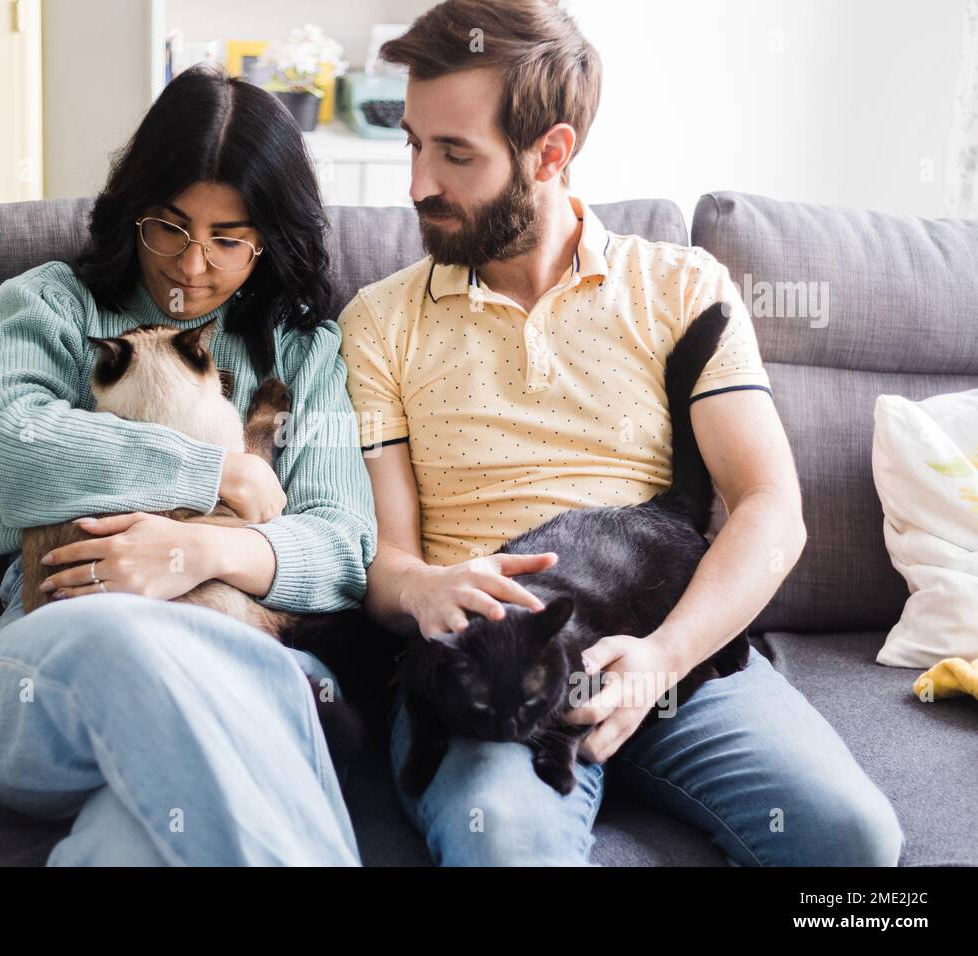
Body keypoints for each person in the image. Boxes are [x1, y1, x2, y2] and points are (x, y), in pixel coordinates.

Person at [337, 0, 904, 866]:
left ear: (551, 152)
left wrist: (660, 661)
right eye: (412, 142)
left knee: (854, 840)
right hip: (495, 671)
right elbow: (386, 564)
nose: (417, 183)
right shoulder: (379, 321)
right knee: (506, 849)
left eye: (454, 153)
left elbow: (770, 508)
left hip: (664, 643)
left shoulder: (680, 285)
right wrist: (420, 592)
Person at [0, 64, 377, 866]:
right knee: (133, 646)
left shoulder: (304, 352)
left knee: (143, 832)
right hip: (49, 661)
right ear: (132, 209)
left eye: (228, 239)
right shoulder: (44, 308)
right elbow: (15, 456)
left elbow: (345, 554)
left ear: (270, 238)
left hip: (241, 651)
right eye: (169, 228)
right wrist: (216, 475)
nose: (191, 266)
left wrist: (193, 552)